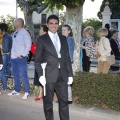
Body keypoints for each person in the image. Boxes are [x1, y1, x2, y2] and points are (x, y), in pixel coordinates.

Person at [35, 15, 73, 120]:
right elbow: (37, 60)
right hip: (48, 76)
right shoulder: (42, 39)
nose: (53, 25)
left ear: (58, 25)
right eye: (51, 23)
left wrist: (70, 75)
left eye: (56, 23)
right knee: (48, 103)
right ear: (47, 25)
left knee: (64, 102)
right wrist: (41, 76)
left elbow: (67, 58)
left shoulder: (63, 38)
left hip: (62, 75)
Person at [8, 18, 31, 99]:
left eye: (15, 21)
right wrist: (12, 54)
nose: (14, 23)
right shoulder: (15, 32)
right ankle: (16, 90)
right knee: (15, 74)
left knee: (23, 74)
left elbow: (28, 45)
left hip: (21, 58)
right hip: (13, 57)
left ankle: (27, 92)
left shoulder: (25, 33)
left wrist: (23, 55)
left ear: (19, 23)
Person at [33, 25, 48, 101]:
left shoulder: (47, 39)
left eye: (40, 29)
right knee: (39, 78)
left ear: (44, 31)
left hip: (44, 62)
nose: (39, 30)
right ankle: (40, 94)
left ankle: (46, 94)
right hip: (38, 60)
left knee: (45, 78)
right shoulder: (38, 38)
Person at [62, 24, 74, 104]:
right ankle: (64, 98)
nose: (63, 32)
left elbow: (68, 52)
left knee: (67, 80)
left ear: (69, 31)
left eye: (64, 30)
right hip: (61, 62)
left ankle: (69, 99)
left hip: (66, 62)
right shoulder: (62, 39)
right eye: (62, 30)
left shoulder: (70, 39)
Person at [0, 23, 12, 94]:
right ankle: (4, 87)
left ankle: (5, 88)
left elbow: (7, 48)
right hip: (4, 55)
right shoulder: (3, 36)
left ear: (2, 29)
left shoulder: (7, 37)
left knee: (1, 72)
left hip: (4, 55)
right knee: (5, 71)